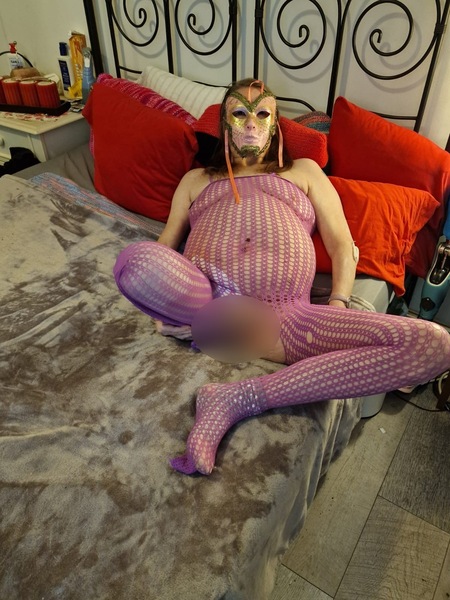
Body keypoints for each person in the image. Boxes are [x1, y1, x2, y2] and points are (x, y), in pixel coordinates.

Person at [114, 78, 450, 475]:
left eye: (262, 114)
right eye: (239, 113)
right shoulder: (196, 180)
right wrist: (162, 306)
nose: (250, 123)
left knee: (434, 345)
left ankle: (237, 398)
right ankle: (201, 327)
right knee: (135, 260)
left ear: (275, 126)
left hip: (288, 318)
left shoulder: (304, 171)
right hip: (205, 303)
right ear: (223, 124)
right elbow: (166, 245)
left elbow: (342, 245)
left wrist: (339, 302)